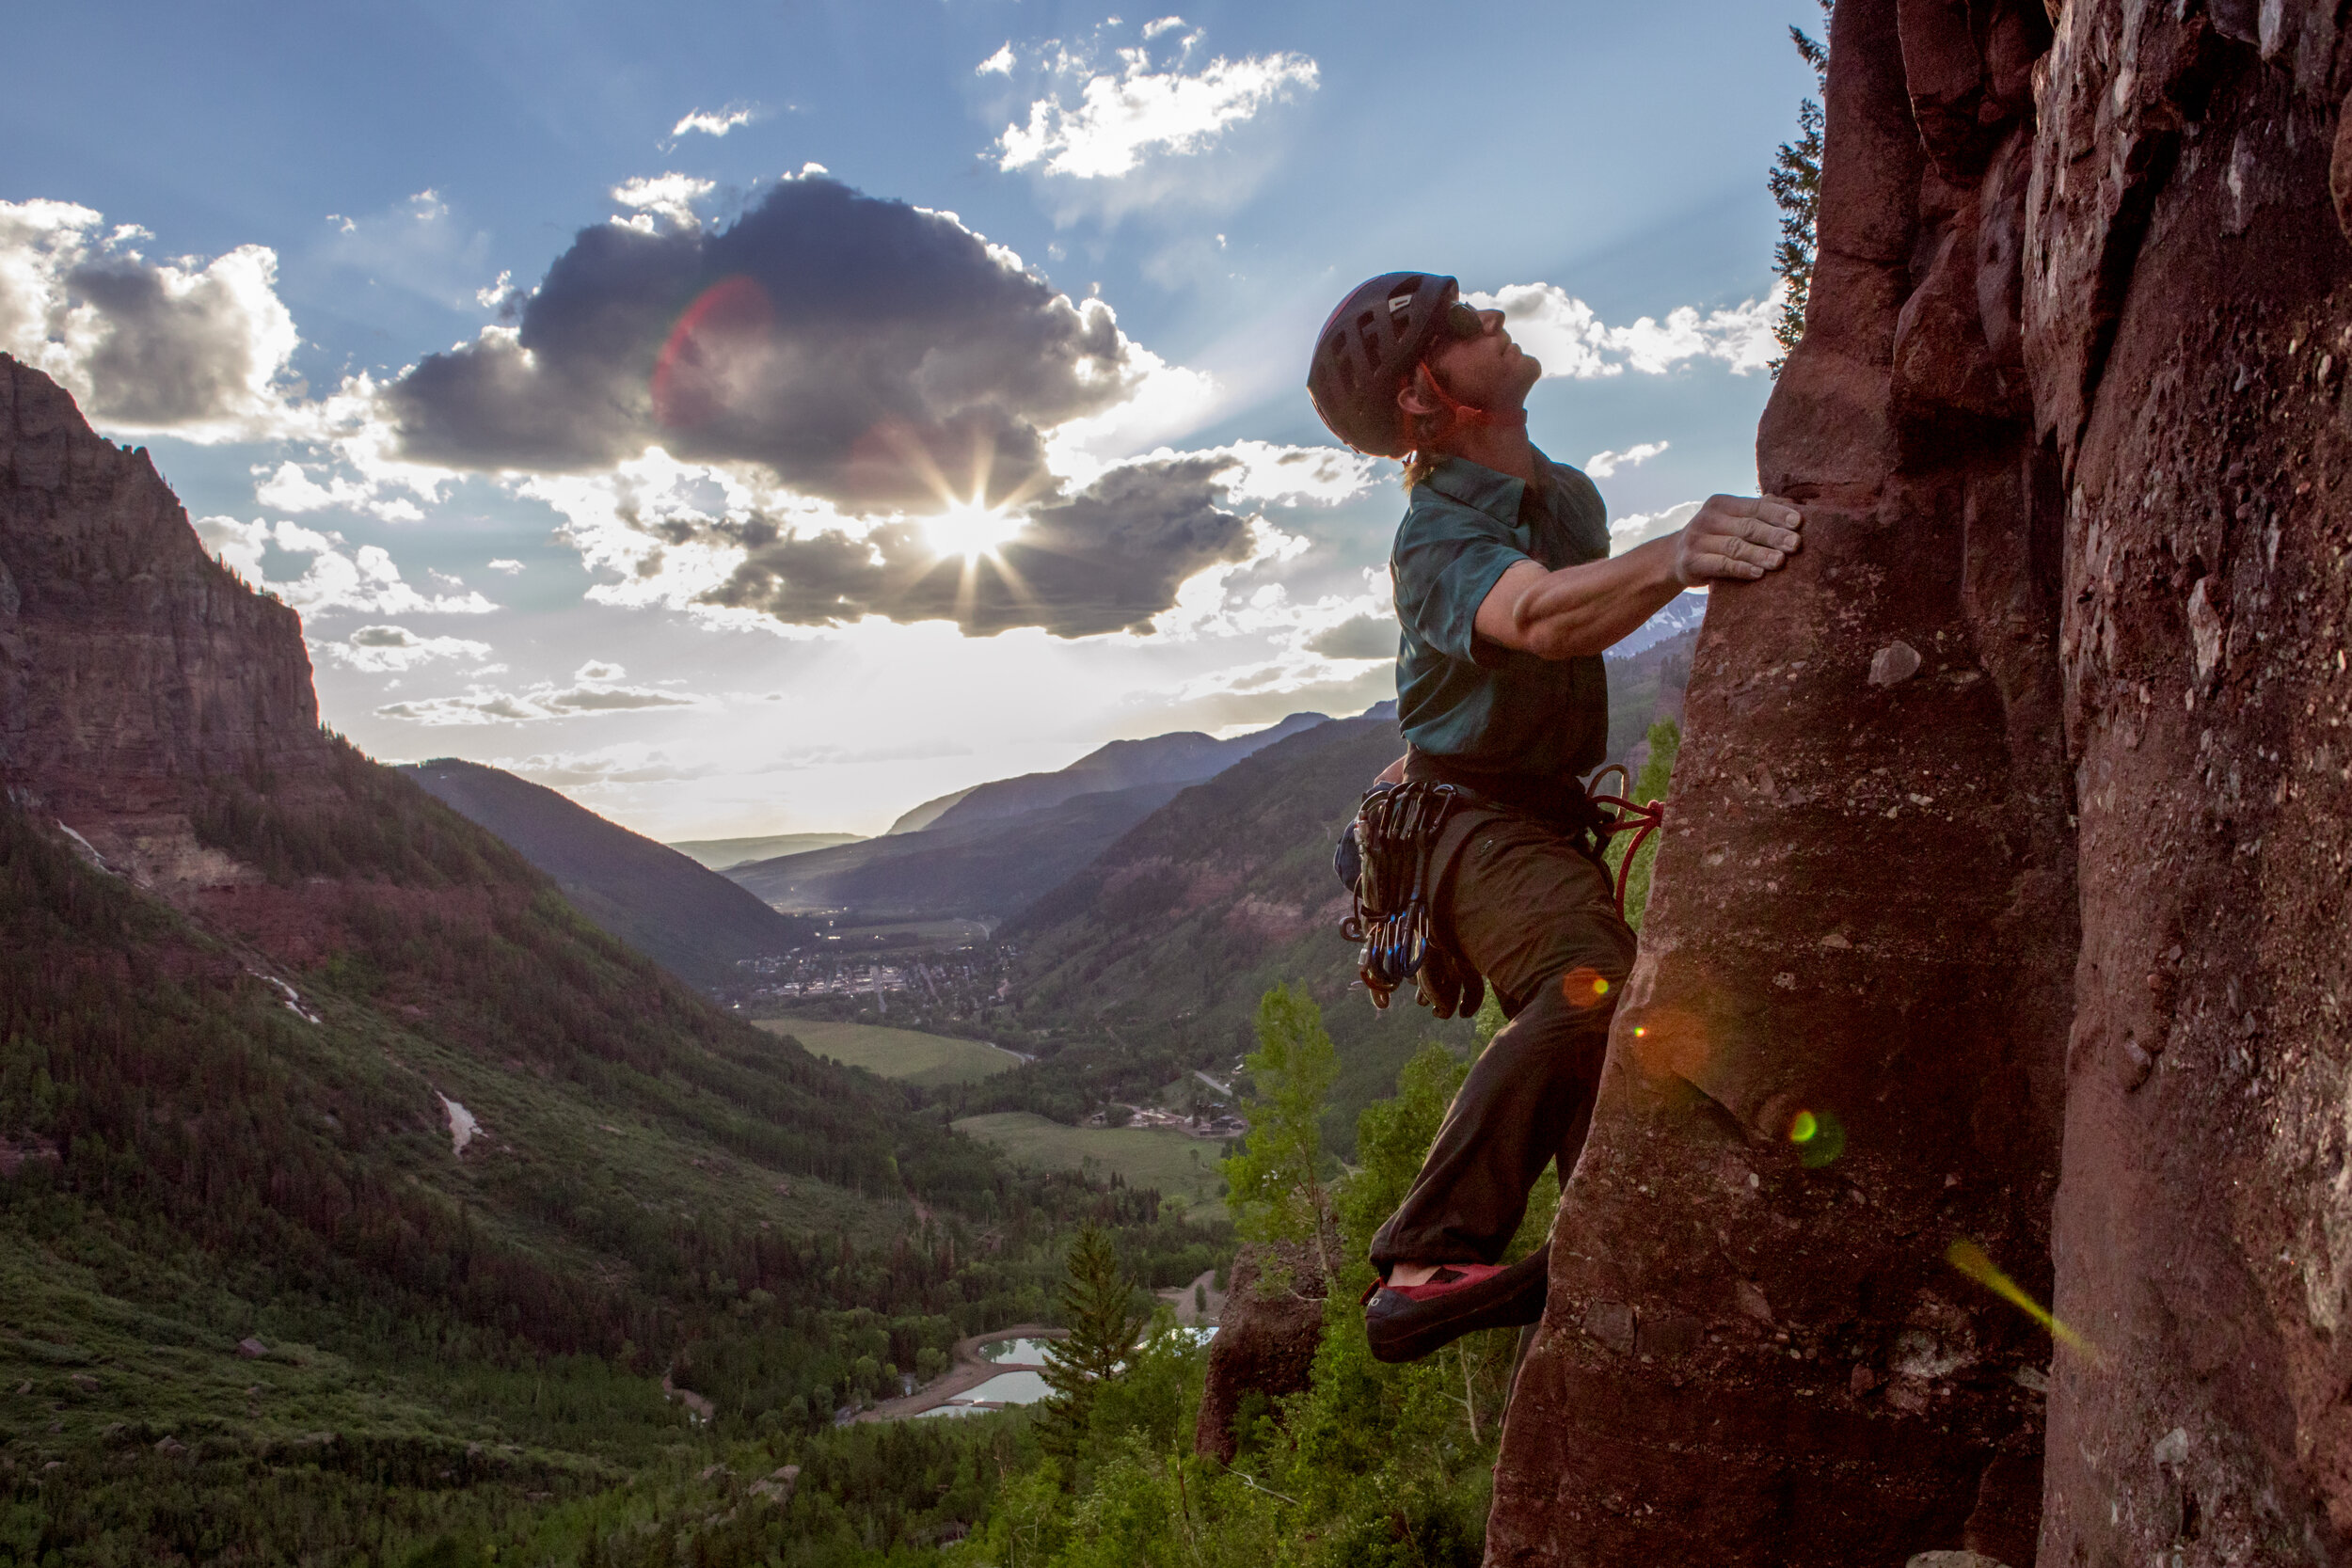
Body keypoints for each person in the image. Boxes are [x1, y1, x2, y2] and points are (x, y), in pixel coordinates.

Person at [1305, 272, 1804, 1362]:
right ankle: (1426, 1257)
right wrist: (1679, 557)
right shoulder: (1433, 538)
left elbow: (1582, 616)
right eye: (1456, 328)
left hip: (1533, 813)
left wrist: (1672, 576)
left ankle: (1603, 1232)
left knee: (1617, 1026)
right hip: (1460, 818)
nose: (1490, 319)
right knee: (1592, 982)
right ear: (1424, 398)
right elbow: (1533, 616)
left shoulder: (1566, 497)